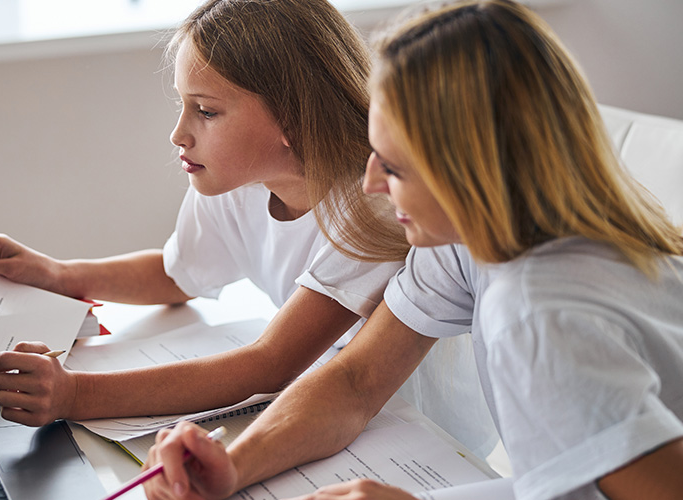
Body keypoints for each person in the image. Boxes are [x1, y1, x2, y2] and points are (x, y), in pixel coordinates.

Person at [143, 1, 683, 499]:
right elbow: (355, 382)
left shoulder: (540, 315)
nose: (373, 184)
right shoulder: (469, 243)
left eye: (395, 166)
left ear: (469, 170)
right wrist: (234, 466)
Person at [0, 0, 462, 437]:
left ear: (292, 116)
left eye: (206, 111)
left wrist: (74, 395)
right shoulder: (233, 183)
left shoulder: (374, 204)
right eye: (182, 105)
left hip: (407, 426)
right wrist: (58, 274)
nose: (179, 134)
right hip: (323, 407)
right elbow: (177, 274)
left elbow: (270, 363)